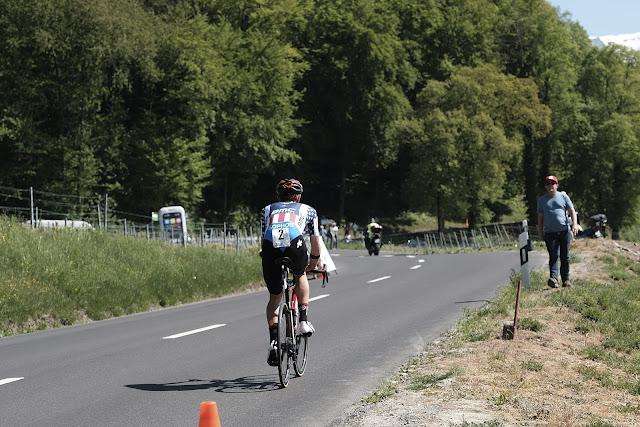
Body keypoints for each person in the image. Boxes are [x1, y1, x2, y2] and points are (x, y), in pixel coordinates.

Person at [260, 178, 321, 366]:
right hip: (295, 243)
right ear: (299, 196)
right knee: (300, 274)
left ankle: (273, 342)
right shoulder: (308, 210)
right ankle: (302, 320)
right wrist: (313, 262)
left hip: (270, 246)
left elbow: (263, 239)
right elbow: (315, 242)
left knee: (275, 297)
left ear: (278, 196)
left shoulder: (266, 209)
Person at [537, 175, 579, 288]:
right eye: (548, 184)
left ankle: (566, 280)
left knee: (565, 256)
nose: (551, 185)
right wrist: (541, 232)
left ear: (557, 185)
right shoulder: (541, 200)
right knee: (553, 255)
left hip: (564, 231)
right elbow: (540, 218)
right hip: (550, 233)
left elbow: (572, 211)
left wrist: (574, 224)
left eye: (553, 183)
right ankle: (554, 278)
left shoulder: (563, 197)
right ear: (545, 186)